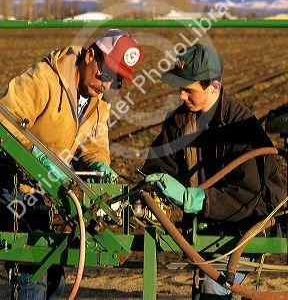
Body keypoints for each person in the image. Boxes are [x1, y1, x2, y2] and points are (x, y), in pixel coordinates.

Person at [0, 28, 143, 300]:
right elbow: (3, 119)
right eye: (106, 74)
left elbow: (94, 145)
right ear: (91, 56)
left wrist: (101, 166)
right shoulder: (44, 80)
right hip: (13, 186)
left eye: (116, 80)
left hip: (43, 192)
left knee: (56, 279)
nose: (107, 85)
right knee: (34, 271)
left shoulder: (97, 102)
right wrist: (34, 155)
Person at [142, 43, 283, 300]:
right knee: (203, 292)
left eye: (189, 90)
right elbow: (159, 164)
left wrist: (194, 199)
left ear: (214, 87)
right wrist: (157, 183)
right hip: (207, 226)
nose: (182, 97)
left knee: (212, 289)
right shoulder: (180, 121)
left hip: (245, 228)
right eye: (181, 89)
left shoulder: (243, 127)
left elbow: (247, 196)